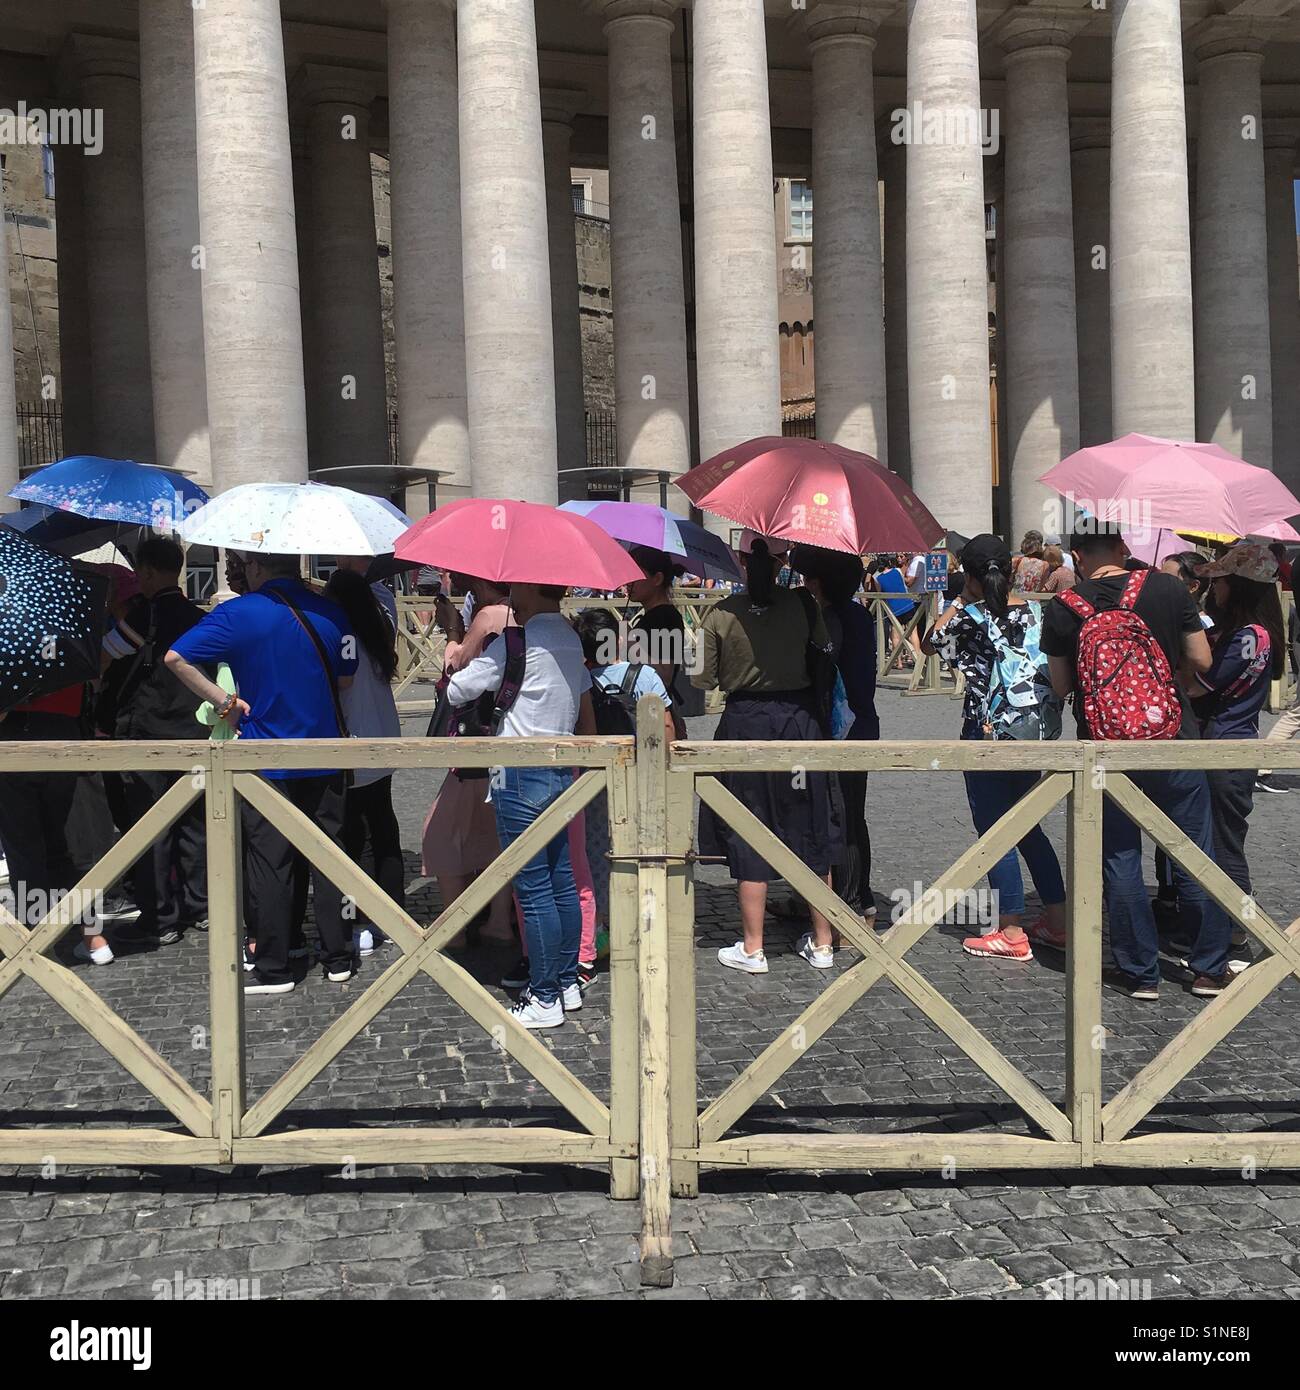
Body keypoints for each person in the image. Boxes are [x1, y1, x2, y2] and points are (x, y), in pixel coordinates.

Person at [1041, 526, 1233, 999]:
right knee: (1191, 851)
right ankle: (1208, 967)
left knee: (1120, 859)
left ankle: (1140, 972)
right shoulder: (1168, 588)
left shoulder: (1064, 606)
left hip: (1105, 749)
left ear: (1078, 555)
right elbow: (1203, 660)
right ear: (1123, 549)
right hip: (1172, 737)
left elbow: (1063, 686)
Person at [165, 551, 359, 996]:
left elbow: (176, 659)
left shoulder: (238, 612)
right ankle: (338, 956)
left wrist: (224, 702)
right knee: (331, 855)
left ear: (255, 568)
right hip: (326, 748)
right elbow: (346, 680)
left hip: (265, 754)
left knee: (270, 860)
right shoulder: (331, 611)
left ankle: (275, 963)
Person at [446, 581, 597, 1029]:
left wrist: (455, 650)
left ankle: (544, 995)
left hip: (516, 770)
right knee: (562, 881)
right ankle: (567, 982)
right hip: (561, 769)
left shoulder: (516, 641)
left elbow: (457, 692)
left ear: (530, 590)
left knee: (533, 892)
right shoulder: (570, 637)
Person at [693, 532, 844, 973]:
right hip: (799, 723)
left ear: (740, 560)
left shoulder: (720, 613)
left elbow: (703, 680)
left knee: (748, 822)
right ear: (785, 560)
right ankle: (823, 943)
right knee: (810, 822)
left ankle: (753, 946)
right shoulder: (803, 605)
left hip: (746, 724)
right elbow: (823, 652)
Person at [923, 535, 1067, 959]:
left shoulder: (969, 618)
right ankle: (1057, 922)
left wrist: (957, 600)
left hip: (986, 734)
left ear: (969, 576)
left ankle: (1010, 931)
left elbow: (933, 642)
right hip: (1032, 732)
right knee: (1026, 825)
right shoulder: (1038, 612)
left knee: (994, 831)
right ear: (1009, 570)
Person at [102, 535, 208, 952]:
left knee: (151, 829)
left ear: (146, 572)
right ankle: (203, 907)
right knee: (196, 826)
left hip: (147, 733)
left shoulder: (143, 616)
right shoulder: (198, 616)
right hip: (192, 732)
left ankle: (160, 916)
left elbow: (107, 656)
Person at [1189, 544, 1286, 973]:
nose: (1214, 588)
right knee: (1219, 843)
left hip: (1228, 749)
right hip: (1225, 744)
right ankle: (1223, 928)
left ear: (1239, 585)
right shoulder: (1244, 630)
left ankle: (1238, 934)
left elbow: (1201, 685)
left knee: (1227, 847)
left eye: (1220, 580)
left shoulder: (1250, 637)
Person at [569, 607, 674, 974]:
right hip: (639, 778)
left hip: (595, 779)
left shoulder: (579, 678)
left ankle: (598, 930)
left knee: (595, 850)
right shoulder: (644, 675)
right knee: (644, 848)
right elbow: (667, 729)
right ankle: (645, 924)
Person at [422, 574, 516, 946]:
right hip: (504, 735)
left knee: (439, 834)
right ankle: (497, 920)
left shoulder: (490, 615)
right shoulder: (521, 615)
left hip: (475, 738)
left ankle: (455, 929)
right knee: (494, 831)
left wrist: (452, 631)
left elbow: (457, 672)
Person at [790, 544, 879, 920]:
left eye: (810, 577)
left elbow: (821, 673)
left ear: (822, 582)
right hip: (863, 723)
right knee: (852, 814)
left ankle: (845, 903)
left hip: (837, 728)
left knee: (834, 815)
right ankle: (858, 898)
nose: (806, 583)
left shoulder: (830, 620)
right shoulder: (860, 615)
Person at [324, 568, 404, 957]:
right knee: (385, 830)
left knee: (352, 837)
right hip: (384, 736)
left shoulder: (344, 636)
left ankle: (356, 920)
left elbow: (343, 684)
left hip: (355, 741)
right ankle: (392, 913)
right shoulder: (379, 631)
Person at [0, 683, 96, 958]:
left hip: (13, 742)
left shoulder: (10, 651)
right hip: (64, 736)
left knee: (24, 850)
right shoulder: (68, 645)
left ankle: (39, 942)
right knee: (65, 846)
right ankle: (93, 935)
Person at [626, 546, 689, 734]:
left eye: (636, 575)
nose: (629, 582)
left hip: (655, 714)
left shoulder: (664, 618)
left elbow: (664, 674)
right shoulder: (653, 616)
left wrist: (630, 641)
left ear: (657, 579)